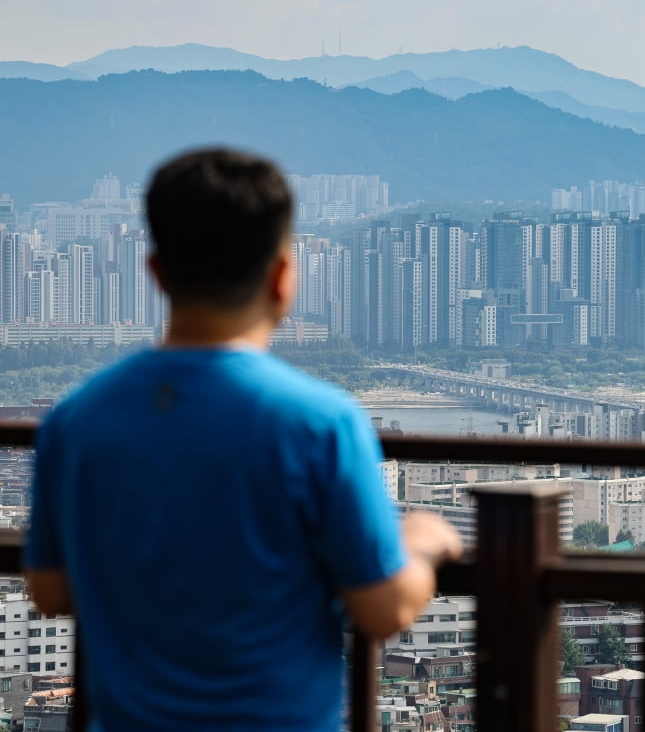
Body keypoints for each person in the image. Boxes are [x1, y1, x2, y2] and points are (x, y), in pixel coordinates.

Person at [23, 148, 462, 731]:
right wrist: (425, 540)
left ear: (156, 273)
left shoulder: (76, 420)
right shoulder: (321, 423)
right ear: (282, 275)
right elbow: (384, 608)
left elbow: (50, 591)